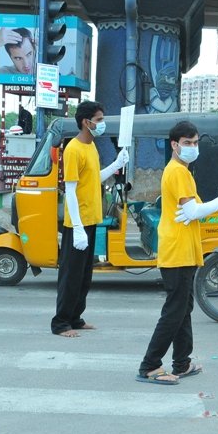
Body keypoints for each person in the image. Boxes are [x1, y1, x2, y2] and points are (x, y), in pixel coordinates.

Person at [136, 120, 218, 384]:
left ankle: (182, 362)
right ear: (174, 145)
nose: (192, 147)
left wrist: (212, 205)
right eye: (187, 143)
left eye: (195, 142)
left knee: (183, 308)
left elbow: (195, 212)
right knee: (175, 310)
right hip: (177, 250)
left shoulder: (183, 172)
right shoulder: (178, 172)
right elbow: (192, 211)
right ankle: (150, 365)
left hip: (184, 249)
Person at [50, 101, 129, 337]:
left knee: (85, 275)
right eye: (99, 120)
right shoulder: (73, 149)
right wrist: (77, 227)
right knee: (71, 275)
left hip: (91, 219)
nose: (102, 124)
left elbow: (94, 179)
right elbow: (71, 191)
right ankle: (61, 322)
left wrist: (116, 165)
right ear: (86, 122)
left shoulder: (91, 147)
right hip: (78, 223)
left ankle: (75, 317)